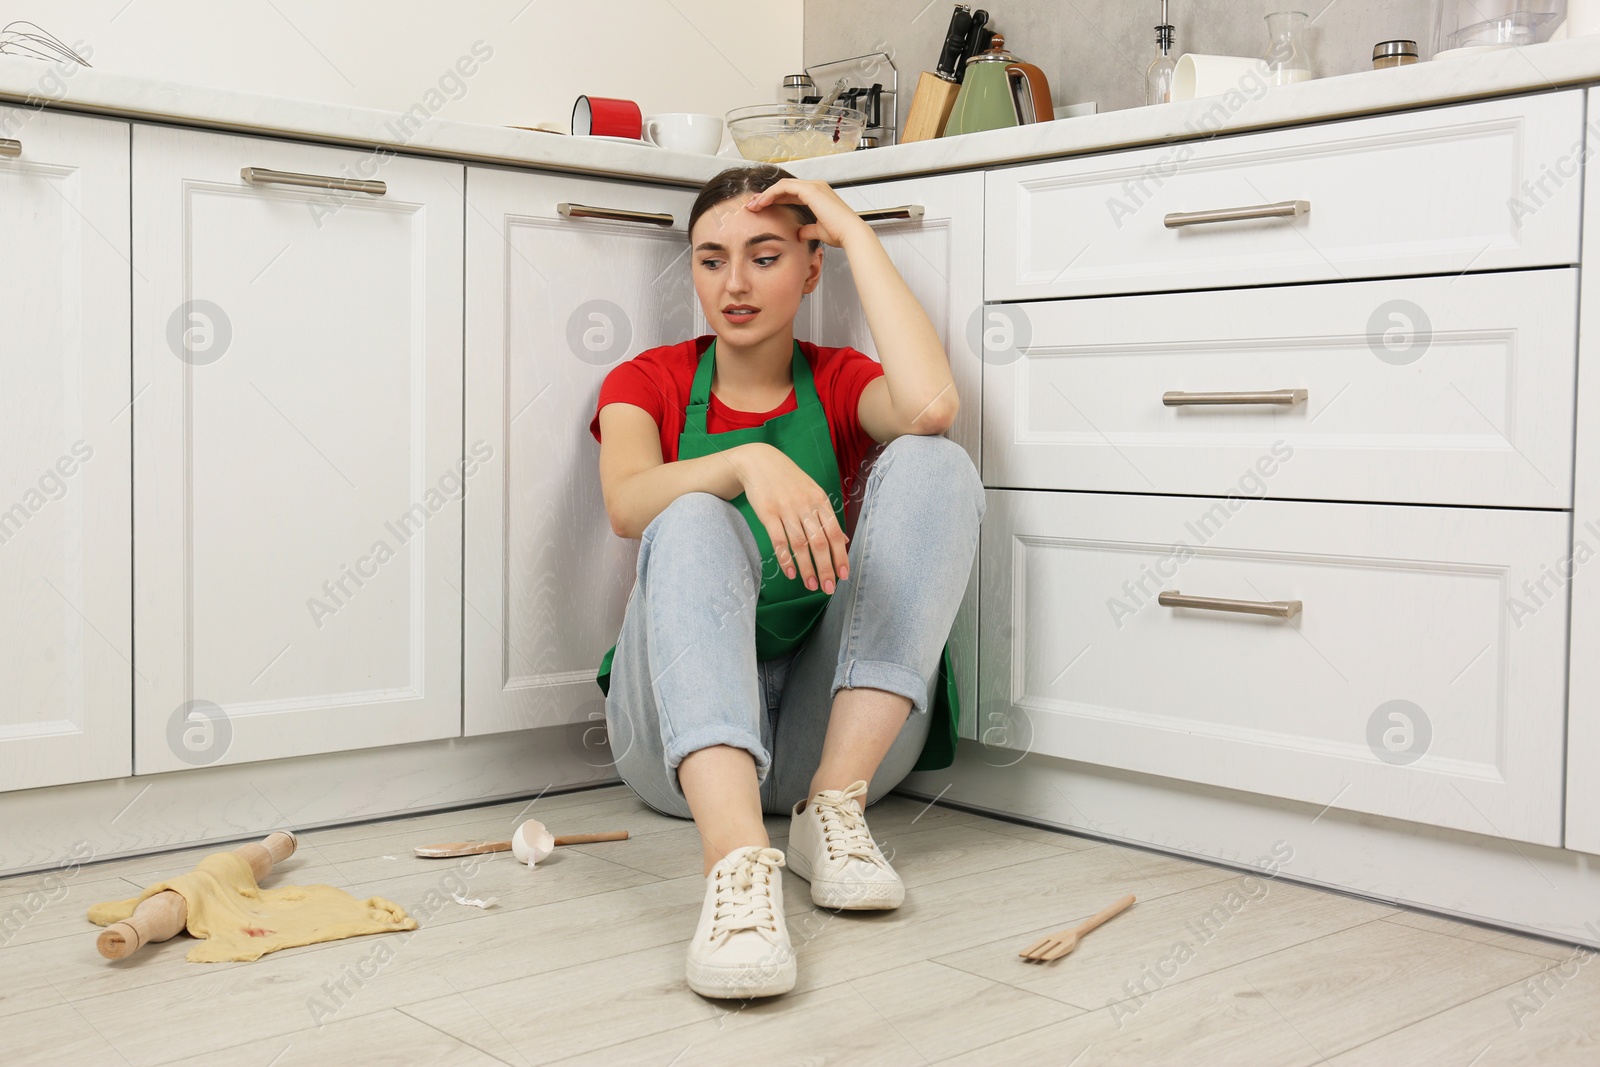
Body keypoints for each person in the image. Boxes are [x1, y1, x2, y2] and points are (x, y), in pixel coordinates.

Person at [587, 162, 984, 999]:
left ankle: (832, 815)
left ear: (811, 268)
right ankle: (735, 864)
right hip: (672, 746)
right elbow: (627, 504)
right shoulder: (647, 381)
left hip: (828, 738)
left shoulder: (837, 381)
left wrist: (852, 230)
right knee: (690, 512)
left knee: (936, 462)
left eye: (766, 257)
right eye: (710, 258)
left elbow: (931, 407)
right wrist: (741, 460)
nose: (732, 283)